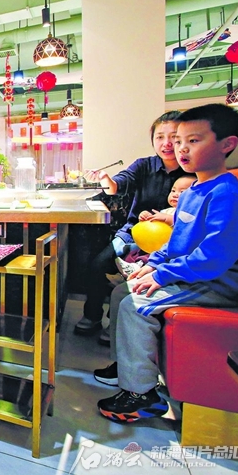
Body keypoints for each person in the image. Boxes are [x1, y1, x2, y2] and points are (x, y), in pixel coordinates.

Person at [94, 103, 238, 423]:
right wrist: (153, 264)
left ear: (227, 144)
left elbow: (214, 258)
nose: (181, 148)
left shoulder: (226, 193)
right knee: (120, 293)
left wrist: (162, 275)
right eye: (179, 141)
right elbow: (176, 243)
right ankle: (126, 367)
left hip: (221, 283)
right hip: (198, 275)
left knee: (135, 305)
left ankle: (142, 395)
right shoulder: (194, 189)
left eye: (193, 140)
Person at [75, 111, 187, 344]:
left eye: (174, 137)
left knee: (137, 277)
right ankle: (92, 316)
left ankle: (116, 323)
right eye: (160, 137)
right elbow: (117, 185)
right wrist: (105, 179)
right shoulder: (145, 165)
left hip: (172, 240)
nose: (166, 143)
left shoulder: (192, 169)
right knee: (98, 264)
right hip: (133, 233)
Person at [112, 174, 197, 279]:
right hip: (153, 245)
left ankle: (136, 268)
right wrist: (146, 217)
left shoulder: (189, 213)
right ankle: (128, 275)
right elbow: (154, 228)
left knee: (149, 256)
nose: (175, 194)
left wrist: (168, 219)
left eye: (182, 192)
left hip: (169, 249)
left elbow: (184, 225)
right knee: (133, 252)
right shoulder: (167, 210)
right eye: (173, 190)